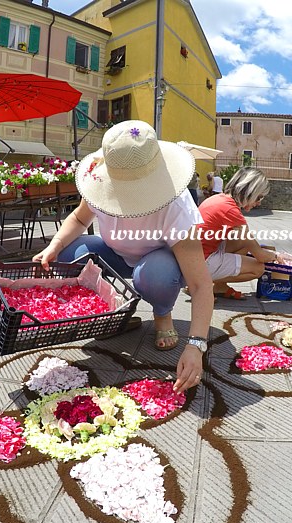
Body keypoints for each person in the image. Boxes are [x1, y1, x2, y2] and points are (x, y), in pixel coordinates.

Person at [32, 120, 214, 394]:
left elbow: (201, 285)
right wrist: (53, 246)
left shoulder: (175, 205)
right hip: (113, 253)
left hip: (156, 260)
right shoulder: (98, 179)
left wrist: (197, 345)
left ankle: (162, 313)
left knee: (153, 276)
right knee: (71, 254)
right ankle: (113, 310)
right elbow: (80, 219)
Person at [196, 167, 276, 299]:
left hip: (194, 255)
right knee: (258, 269)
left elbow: (246, 242)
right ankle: (200, 284)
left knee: (244, 244)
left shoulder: (220, 199)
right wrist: (276, 256)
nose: (259, 203)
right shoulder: (231, 211)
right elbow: (260, 256)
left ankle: (219, 286)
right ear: (250, 191)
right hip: (201, 262)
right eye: (259, 197)